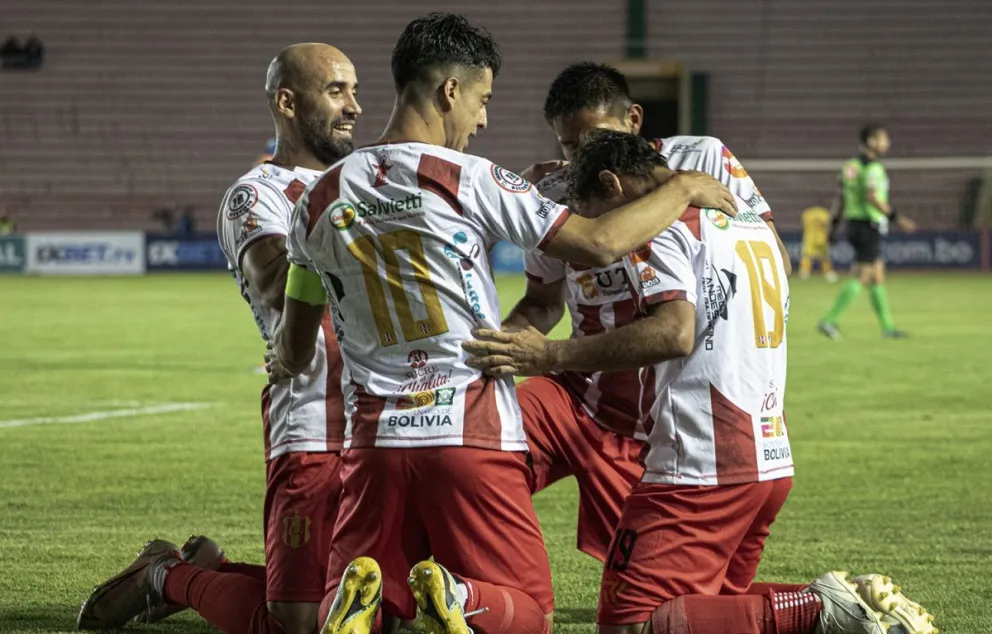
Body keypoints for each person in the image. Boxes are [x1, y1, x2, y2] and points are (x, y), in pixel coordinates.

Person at [269, 13, 737, 634]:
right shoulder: (471, 177)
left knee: (371, 591)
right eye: (483, 99)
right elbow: (598, 243)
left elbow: (296, 348)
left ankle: (365, 607)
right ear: (449, 92)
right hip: (470, 430)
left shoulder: (316, 200)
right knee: (527, 616)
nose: (484, 119)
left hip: (373, 444)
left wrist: (286, 354)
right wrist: (678, 190)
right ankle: (460, 599)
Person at [464, 130, 937, 634]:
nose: (604, 226)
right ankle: (858, 607)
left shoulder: (664, 226)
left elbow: (673, 331)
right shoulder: (751, 224)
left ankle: (821, 610)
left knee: (631, 624)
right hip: (768, 455)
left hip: (703, 457)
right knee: (707, 608)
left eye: (597, 208)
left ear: (613, 183)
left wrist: (552, 353)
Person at [76, 42, 361, 634]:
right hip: (310, 422)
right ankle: (165, 576)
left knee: (366, 603)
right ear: (287, 102)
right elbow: (282, 289)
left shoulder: (363, 184)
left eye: (355, 90)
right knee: (298, 629)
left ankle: (213, 569)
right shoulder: (254, 194)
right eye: (336, 91)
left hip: (386, 420)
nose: (354, 106)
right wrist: (343, 218)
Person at [501, 61, 789, 565]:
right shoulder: (552, 194)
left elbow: (772, 259)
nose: (578, 160)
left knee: (649, 599)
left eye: (592, 140)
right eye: (568, 147)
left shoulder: (704, 158)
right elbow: (544, 303)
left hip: (662, 425)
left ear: (633, 120)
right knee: (481, 453)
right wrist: (499, 343)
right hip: (575, 395)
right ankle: (475, 584)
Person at [819, 124, 916, 340]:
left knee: (877, 276)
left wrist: (833, 226)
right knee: (863, 275)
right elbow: (873, 197)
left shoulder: (849, 166)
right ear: (871, 142)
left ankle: (888, 328)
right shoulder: (873, 168)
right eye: (883, 139)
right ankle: (829, 320)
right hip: (868, 225)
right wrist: (897, 219)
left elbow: (841, 198)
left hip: (853, 223)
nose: (887, 144)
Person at [799, 205, 838, 281]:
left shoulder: (807, 213)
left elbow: (802, 225)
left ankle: (804, 272)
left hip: (809, 237)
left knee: (807, 255)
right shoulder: (824, 213)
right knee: (824, 256)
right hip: (821, 237)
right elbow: (828, 225)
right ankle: (828, 273)